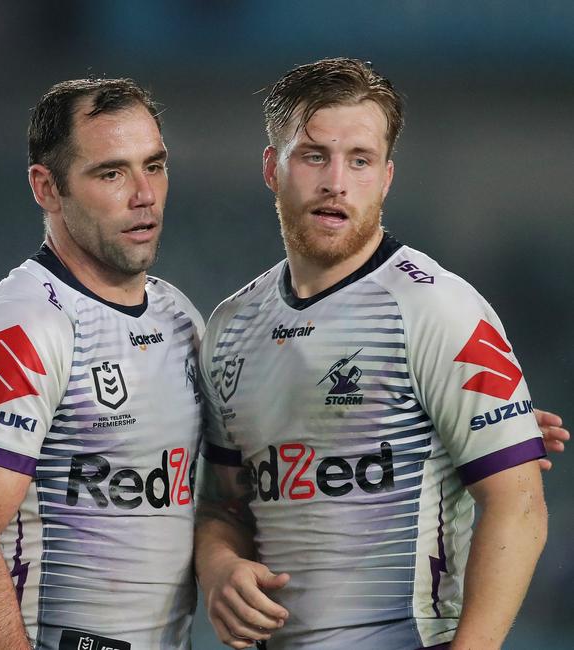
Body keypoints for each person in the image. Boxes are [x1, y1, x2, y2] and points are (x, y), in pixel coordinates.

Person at [194, 58, 568, 650]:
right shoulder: (231, 326)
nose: (335, 181)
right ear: (272, 167)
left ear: (386, 176)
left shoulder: (439, 308)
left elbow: (518, 505)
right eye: (314, 155)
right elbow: (223, 505)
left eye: (360, 160)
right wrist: (219, 569)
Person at [0, 78, 203, 649]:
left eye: (154, 166)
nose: (144, 195)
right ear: (47, 188)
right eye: (111, 173)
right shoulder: (24, 327)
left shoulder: (180, 318)